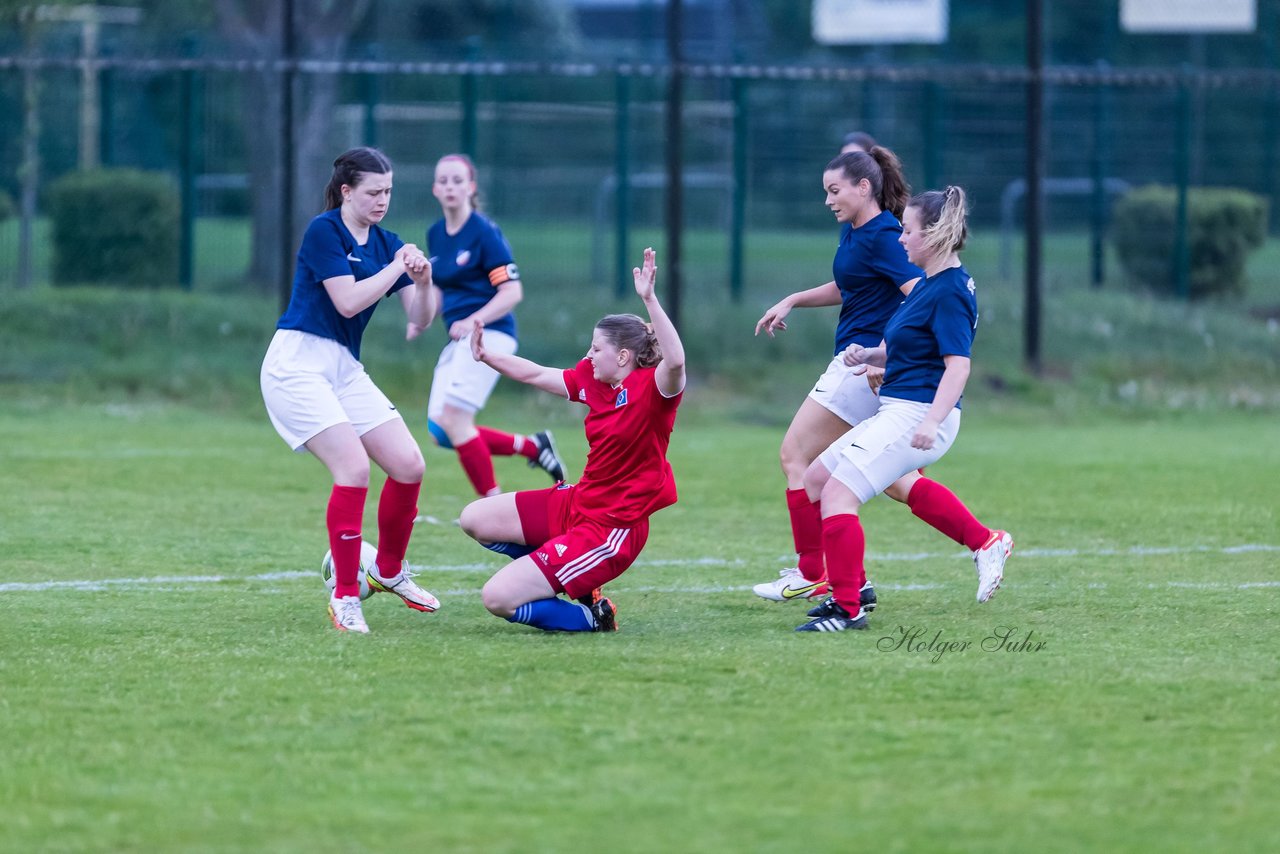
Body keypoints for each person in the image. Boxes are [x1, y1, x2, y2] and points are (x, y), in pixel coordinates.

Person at [752, 146, 1005, 611]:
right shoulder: (863, 236)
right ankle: (981, 540)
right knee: (885, 479)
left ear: (864, 186)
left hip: (894, 387)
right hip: (878, 368)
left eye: (834, 190)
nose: (828, 199)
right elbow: (868, 290)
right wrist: (870, 349)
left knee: (806, 465)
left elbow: (931, 321)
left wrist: (887, 366)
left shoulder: (900, 250)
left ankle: (823, 579)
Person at [457, 247, 685, 633]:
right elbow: (535, 374)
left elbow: (676, 361)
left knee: (497, 598)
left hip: (612, 528)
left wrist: (649, 298)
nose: (588, 355)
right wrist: (486, 356)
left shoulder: (654, 389)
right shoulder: (594, 382)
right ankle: (579, 582)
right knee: (473, 518)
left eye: (596, 349)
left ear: (624, 356)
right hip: (578, 503)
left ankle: (592, 618)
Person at [261, 147, 441, 634]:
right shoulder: (326, 231)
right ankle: (345, 597)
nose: (383, 200)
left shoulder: (388, 243)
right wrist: (399, 268)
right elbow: (345, 302)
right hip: (296, 364)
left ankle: (387, 572)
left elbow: (421, 319)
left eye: (388, 191)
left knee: (409, 465)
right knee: (354, 468)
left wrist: (422, 282)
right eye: (373, 192)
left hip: (342, 368)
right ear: (346, 191)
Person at [406, 153, 566, 499]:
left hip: (489, 335)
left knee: (453, 419)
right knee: (441, 430)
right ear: (435, 188)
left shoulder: (484, 233)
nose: (450, 187)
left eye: (458, 180)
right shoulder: (436, 234)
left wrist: (473, 320)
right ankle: (533, 447)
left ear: (471, 187)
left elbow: (512, 292)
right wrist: (422, 318)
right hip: (461, 337)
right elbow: (438, 287)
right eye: (444, 181)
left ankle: (494, 507)